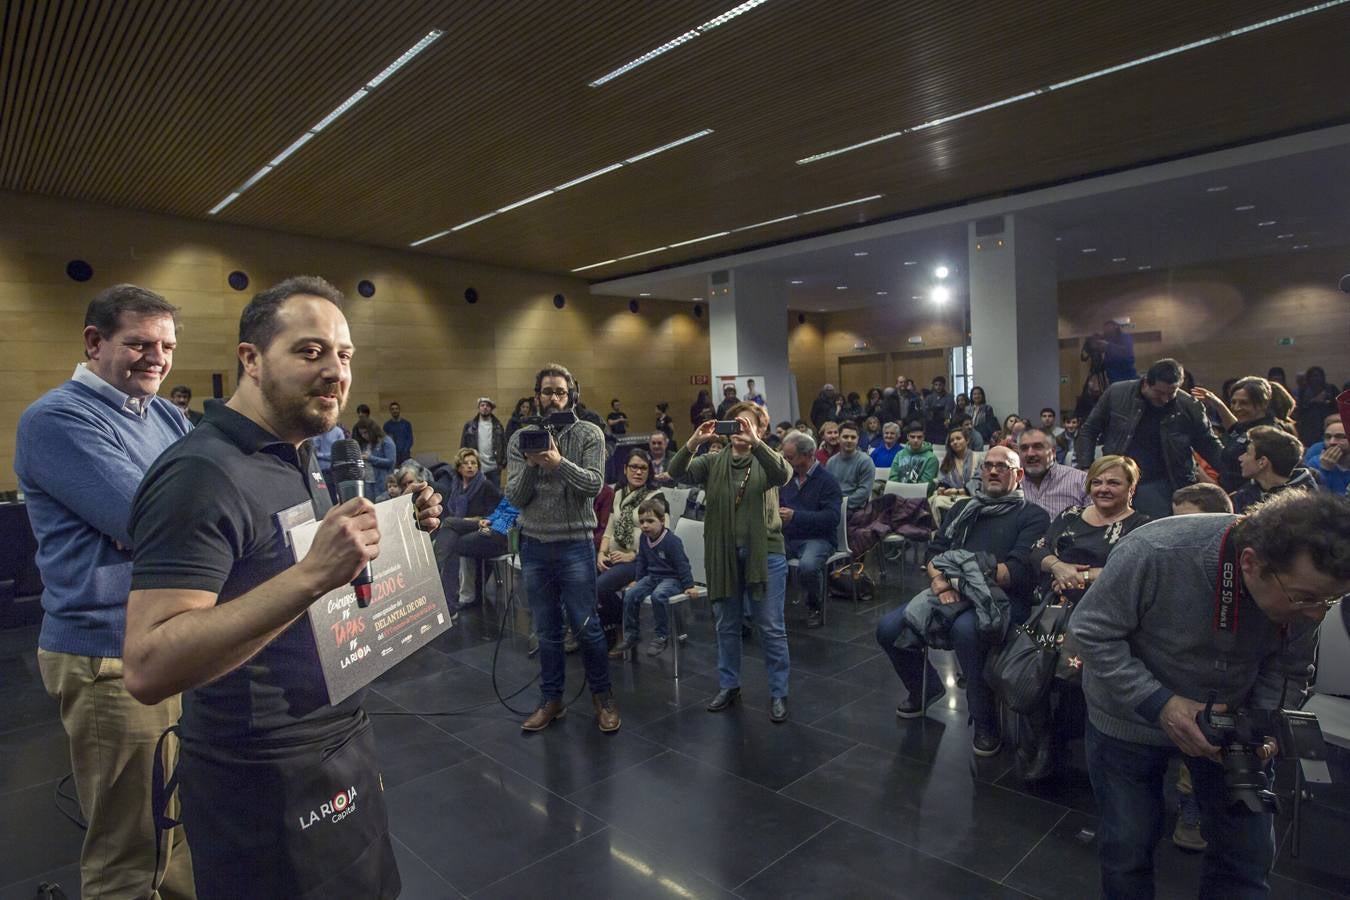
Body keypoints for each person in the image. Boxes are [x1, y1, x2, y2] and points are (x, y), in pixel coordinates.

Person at [123, 276, 443, 896]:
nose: (335, 371)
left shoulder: (298, 452)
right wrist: (311, 575)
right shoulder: (199, 474)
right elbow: (148, 663)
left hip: (339, 743)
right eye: (310, 351)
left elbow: (292, 572)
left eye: (344, 355)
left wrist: (392, 526)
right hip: (261, 776)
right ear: (251, 358)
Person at [1069, 490, 1350, 899]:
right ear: (1251, 562)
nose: (1316, 613)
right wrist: (1160, 703)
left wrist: (1266, 724)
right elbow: (1089, 633)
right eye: (1305, 598)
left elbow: (1289, 667)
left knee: (1248, 858)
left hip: (1231, 730)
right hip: (1128, 720)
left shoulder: (1308, 592)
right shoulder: (1156, 551)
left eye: (1331, 600)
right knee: (1127, 847)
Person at [15, 284, 195, 898]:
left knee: (174, 826)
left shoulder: (164, 414)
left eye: (167, 346)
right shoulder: (58, 418)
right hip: (106, 653)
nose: (157, 358)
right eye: (140, 344)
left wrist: (174, 519)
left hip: (170, 640)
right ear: (95, 342)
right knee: (129, 847)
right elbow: (145, 521)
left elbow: (206, 498)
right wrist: (166, 520)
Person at [874, 446, 1050, 755]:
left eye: (1003, 467)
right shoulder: (963, 509)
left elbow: (1016, 572)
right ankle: (924, 689)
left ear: (1018, 475)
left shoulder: (1033, 515)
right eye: (988, 466)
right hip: (948, 591)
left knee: (967, 631)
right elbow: (934, 554)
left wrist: (957, 570)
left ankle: (985, 722)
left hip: (1004, 600)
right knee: (888, 628)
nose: (993, 471)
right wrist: (943, 583)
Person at [505, 363, 619, 733]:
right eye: (546, 391)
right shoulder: (521, 437)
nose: (553, 397)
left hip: (574, 547)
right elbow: (515, 498)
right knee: (547, 630)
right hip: (535, 546)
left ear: (572, 395)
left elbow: (593, 485)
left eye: (560, 392)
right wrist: (533, 465)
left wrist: (558, 463)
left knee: (587, 628)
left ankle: (603, 698)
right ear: (536, 396)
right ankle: (551, 700)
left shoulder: (589, 433)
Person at [1021, 456, 1151, 781]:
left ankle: (1074, 742)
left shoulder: (1142, 527)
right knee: (1034, 672)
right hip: (1051, 609)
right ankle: (1045, 741)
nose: (1103, 489)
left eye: (1114, 483)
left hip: (1104, 618)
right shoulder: (1069, 515)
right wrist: (1058, 566)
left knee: (1072, 679)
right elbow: (1037, 549)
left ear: (1131, 488)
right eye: (1098, 482)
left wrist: (1087, 575)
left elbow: (1137, 573)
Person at [668, 402, 793, 722]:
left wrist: (757, 443)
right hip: (723, 554)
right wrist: (694, 442)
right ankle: (729, 684)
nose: (739, 430)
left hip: (765, 553)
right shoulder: (712, 462)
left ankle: (779, 692)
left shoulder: (765, 461)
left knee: (770, 627)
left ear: (760, 429)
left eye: (747, 425)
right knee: (726, 624)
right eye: (735, 424)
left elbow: (784, 473)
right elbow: (676, 471)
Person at [1076, 358, 1225, 519]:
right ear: (1146, 382)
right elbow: (1089, 430)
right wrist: (1086, 467)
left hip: (1165, 482)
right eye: (1160, 393)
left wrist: (1230, 474)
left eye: (1172, 393)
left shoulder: (1189, 406)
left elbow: (1209, 445)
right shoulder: (1117, 393)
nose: (1166, 399)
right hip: (1119, 476)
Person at [612, 495, 697, 657]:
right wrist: (637, 580)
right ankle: (631, 634)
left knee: (659, 596)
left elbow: (682, 564)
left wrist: (689, 585)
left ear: (662, 521)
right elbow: (642, 561)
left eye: (650, 521)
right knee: (630, 594)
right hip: (652, 577)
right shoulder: (644, 539)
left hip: (672, 579)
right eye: (642, 521)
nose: (645, 525)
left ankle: (661, 636)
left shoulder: (673, 541)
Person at [596, 448, 663, 646]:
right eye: (634, 467)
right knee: (581, 580)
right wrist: (601, 553)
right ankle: (607, 628)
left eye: (643, 468)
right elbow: (609, 528)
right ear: (625, 469)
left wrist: (632, 555)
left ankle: (623, 628)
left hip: (643, 560)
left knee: (599, 588)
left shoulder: (655, 497)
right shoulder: (619, 494)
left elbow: (660, 537)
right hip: (615, 556)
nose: (638, 472)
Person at [780, 431, 843, 630]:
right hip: (790, 536)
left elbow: (832, 519)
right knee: (761, 554)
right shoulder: (787, 479)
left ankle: (814, 607)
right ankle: (764, 608)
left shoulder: (827, 482)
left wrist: (795, 516)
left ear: (808, 456)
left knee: (807, 565)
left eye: (789, 457)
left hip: (819, 538)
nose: (785, 461)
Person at [436, 448, 503, 612]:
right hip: (463, 529)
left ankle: (435, 570)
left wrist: (471, 520)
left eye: (474, 463)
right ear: (459, 468)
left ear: (478, 466)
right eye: (466, 463)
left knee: (448, 523)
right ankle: (450, 600)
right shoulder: (457, 486)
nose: (470, 466)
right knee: (451, 540)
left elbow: (495, 512)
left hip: (483, 525)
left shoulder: (485, 484)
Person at [1191, 375, 1282, 491]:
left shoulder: (1268, 435)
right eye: (1233, 402)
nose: (1236, 408)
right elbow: (1235, 429)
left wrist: (1197, 469)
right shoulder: (1249, 425)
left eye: (1244, 403)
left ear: (1262, 404)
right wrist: (1217, 403)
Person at [1228, 425, 1316, 513]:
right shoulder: (1242, 496)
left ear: (1262, 462)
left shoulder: (1305, 502)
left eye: (1247, 453)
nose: (1240, 458)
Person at [1018, 427, 1088, 520]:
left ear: (1053, 452)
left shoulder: (1080, 480)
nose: (1030, 454)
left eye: (1038, 447)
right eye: (1024, 448)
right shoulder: (1012, 483)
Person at [930, 426, 983, 526]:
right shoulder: (947, 460)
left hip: (971, 495)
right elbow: (943, 481)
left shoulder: (978, 458)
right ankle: (944, 531)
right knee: (936, 500)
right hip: (952, 496)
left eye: (958, 438)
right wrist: (942, 488)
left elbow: (979, 481)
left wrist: (959, 491)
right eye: (952, 440)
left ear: (967, 440)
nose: (955, 442)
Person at [827, 421, 874, 511]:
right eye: (845, 437)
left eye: (853, 437)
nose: (849, 440)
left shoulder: (866, 461)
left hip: (855, 509)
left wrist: (842, 505)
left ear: (858, 440)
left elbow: (864, 492)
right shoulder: (831, 462)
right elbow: (828, 488)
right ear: (838, 439)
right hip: (833, 506)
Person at [460, 396, 506, 484]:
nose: (485, 407)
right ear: (478, 408)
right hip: (476, 467)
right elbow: (463, 446)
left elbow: (504, 444)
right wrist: (463, 463)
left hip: (494, 468)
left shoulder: (498, 426)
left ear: (491, 409)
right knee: (477, 495)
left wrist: (502, 463)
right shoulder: (469, 426)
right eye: (482, 405)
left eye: (488, 406)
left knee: (494, 495)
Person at [1303, 414, 1349, 495]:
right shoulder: (1315, 463)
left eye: (1340, 436)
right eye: (1328, 437)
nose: (1332, 442)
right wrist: (1325, 470)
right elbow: (1313, 498)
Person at [1294, 366, 1337, 450]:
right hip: (1308, 427)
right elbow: (1298, 408)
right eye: (1313, 376)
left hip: (1327, 423)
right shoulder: (1302, 391)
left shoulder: (1331, 389)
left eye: (1318, 375)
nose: (1316, 378)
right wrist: (1313, 401)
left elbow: (1336, 405)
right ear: (1309, 378)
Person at [889, 424, 938, 489]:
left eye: (919, 437)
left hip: (921, 496)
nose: (915, 440)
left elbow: (925, 484)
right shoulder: (899, 455)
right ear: (907, 437)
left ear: (923, 438)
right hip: (898, 493)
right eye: (912, 437)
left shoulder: (931, 458)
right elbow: (893, 478)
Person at [352, 417, 395, 491]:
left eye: (365, 432)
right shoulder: (365, 444)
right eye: (361, 434)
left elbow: (390, 462)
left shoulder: (386, 441)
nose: (363, 436)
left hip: (382, 482)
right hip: (367, 481)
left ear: (372, 430)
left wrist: (370, 458)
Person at [921, 376, 956, 444]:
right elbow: (925, 411)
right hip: (931, 423)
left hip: (944, 423)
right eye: (936, 385)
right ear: (933, 386)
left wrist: (948, 419)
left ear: (943, 385)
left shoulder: (949, 397)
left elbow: (951, 411)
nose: (938, 387)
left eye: (940, 385)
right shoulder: (929, 397)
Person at [382, 400, 413, 464]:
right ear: (390, 411)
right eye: (392, 409)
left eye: (396, 409)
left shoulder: (406, 424)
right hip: (393, 455)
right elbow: (385, 441)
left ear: (399, 410)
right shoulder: (386, 425)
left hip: (405, 455)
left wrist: (405, 451)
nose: (395, 410)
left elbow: (410, 439)